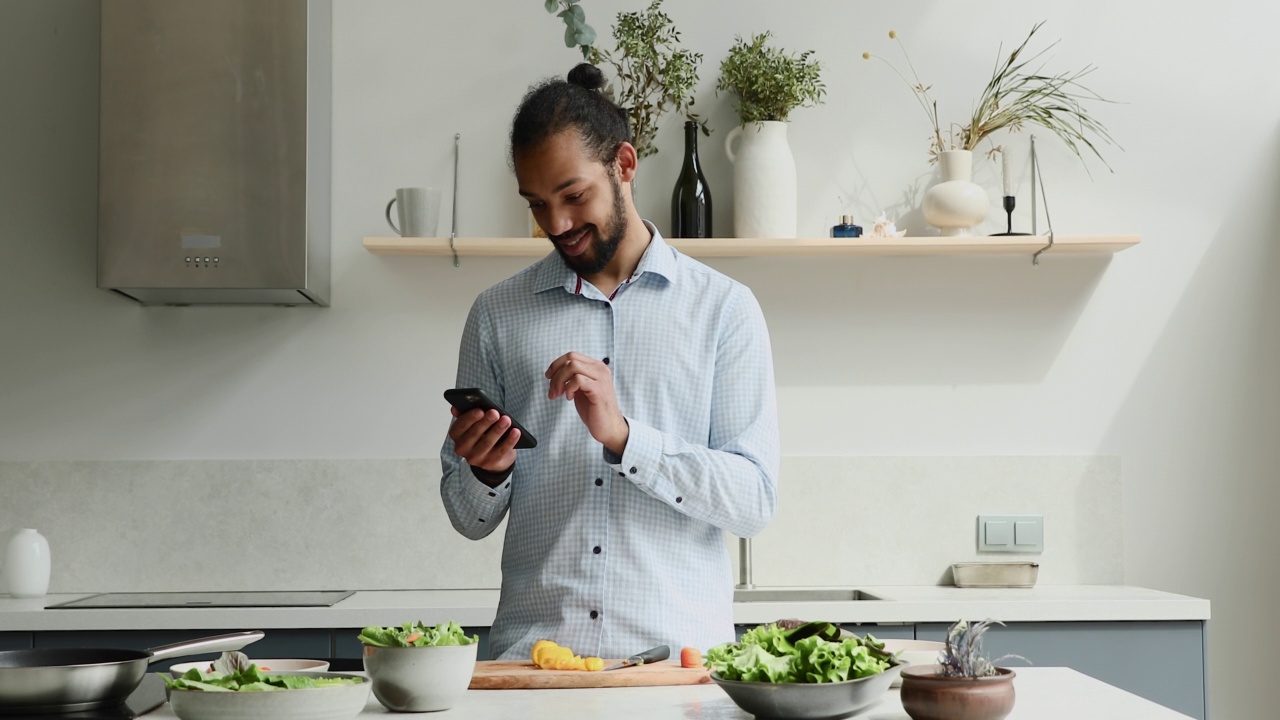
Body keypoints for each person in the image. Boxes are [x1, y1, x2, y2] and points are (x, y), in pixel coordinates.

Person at [440, 63, 779, 662]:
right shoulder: (496, 314)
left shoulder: (725, 309)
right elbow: (467, 517)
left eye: (573, 196)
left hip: (679, 672)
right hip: (534, 668)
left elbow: (753, 502)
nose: (558, 225)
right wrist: (487, 473)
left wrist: (626, 439)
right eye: (538, 205)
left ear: (624, 166)